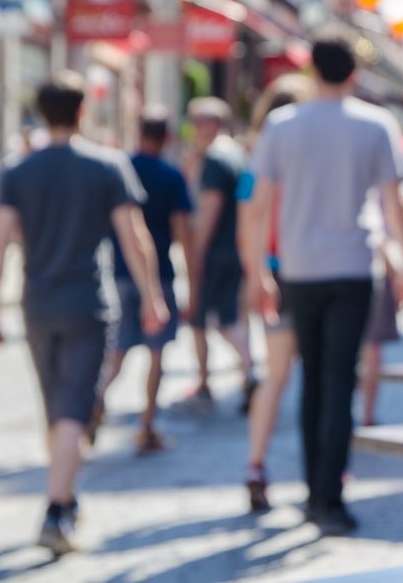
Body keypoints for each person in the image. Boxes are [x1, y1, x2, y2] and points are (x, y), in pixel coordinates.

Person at [0, 72, 168, 555]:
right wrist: (152, 295)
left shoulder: (19, 171)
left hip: (38, 304)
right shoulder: (106, 165)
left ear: (42, 114)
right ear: (82, 112)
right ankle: (56, 509)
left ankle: (64, 495)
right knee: (74, 411)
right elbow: (135, 237)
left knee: (56, 409)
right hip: (89, 302)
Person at [241, 35, 403, 534]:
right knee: (340, 381)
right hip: (354, 265)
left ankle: (315, 490)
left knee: (313, 380)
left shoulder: (282, 124)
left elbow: (258, 206)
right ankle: (327, 497)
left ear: (310, 70)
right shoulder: (375, 124)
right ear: (355, 73)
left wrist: (258, 274)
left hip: (297, 267)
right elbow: (393, 202)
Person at [96, 109, 194, 454]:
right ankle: (147, 424)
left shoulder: (120, 168)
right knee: (156, 353)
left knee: (119, 348)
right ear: (167, 137)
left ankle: (96, 404)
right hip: (161, 274)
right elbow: (183, 230)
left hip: (121, 271)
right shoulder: (171, 175)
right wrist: (192, 274)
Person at [238, 75, 311, 513]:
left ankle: (255, 463)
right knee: (321, 374)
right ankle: (324, 468)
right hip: (309, 270)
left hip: (274, 273)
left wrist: (256, 274)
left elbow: (246, 224)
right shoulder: (307, 157)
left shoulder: (254, 163)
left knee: (276, 373)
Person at [184, 97, 255, 412]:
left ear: (213, 125)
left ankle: (245, 371)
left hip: (217, 251)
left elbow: (209, 211)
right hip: (238, 247)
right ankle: (244, 372)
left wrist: (196, 254)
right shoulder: (238, 154)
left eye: (199, 123)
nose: (195, 130)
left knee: (210, 319)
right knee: (232, 316)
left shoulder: (215, 160)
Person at [359, 179, 403, 426]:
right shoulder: (382, 182)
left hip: (331, 269)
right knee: (371, 347)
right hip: (375, 269)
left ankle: (360, 409)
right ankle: (367, 413)